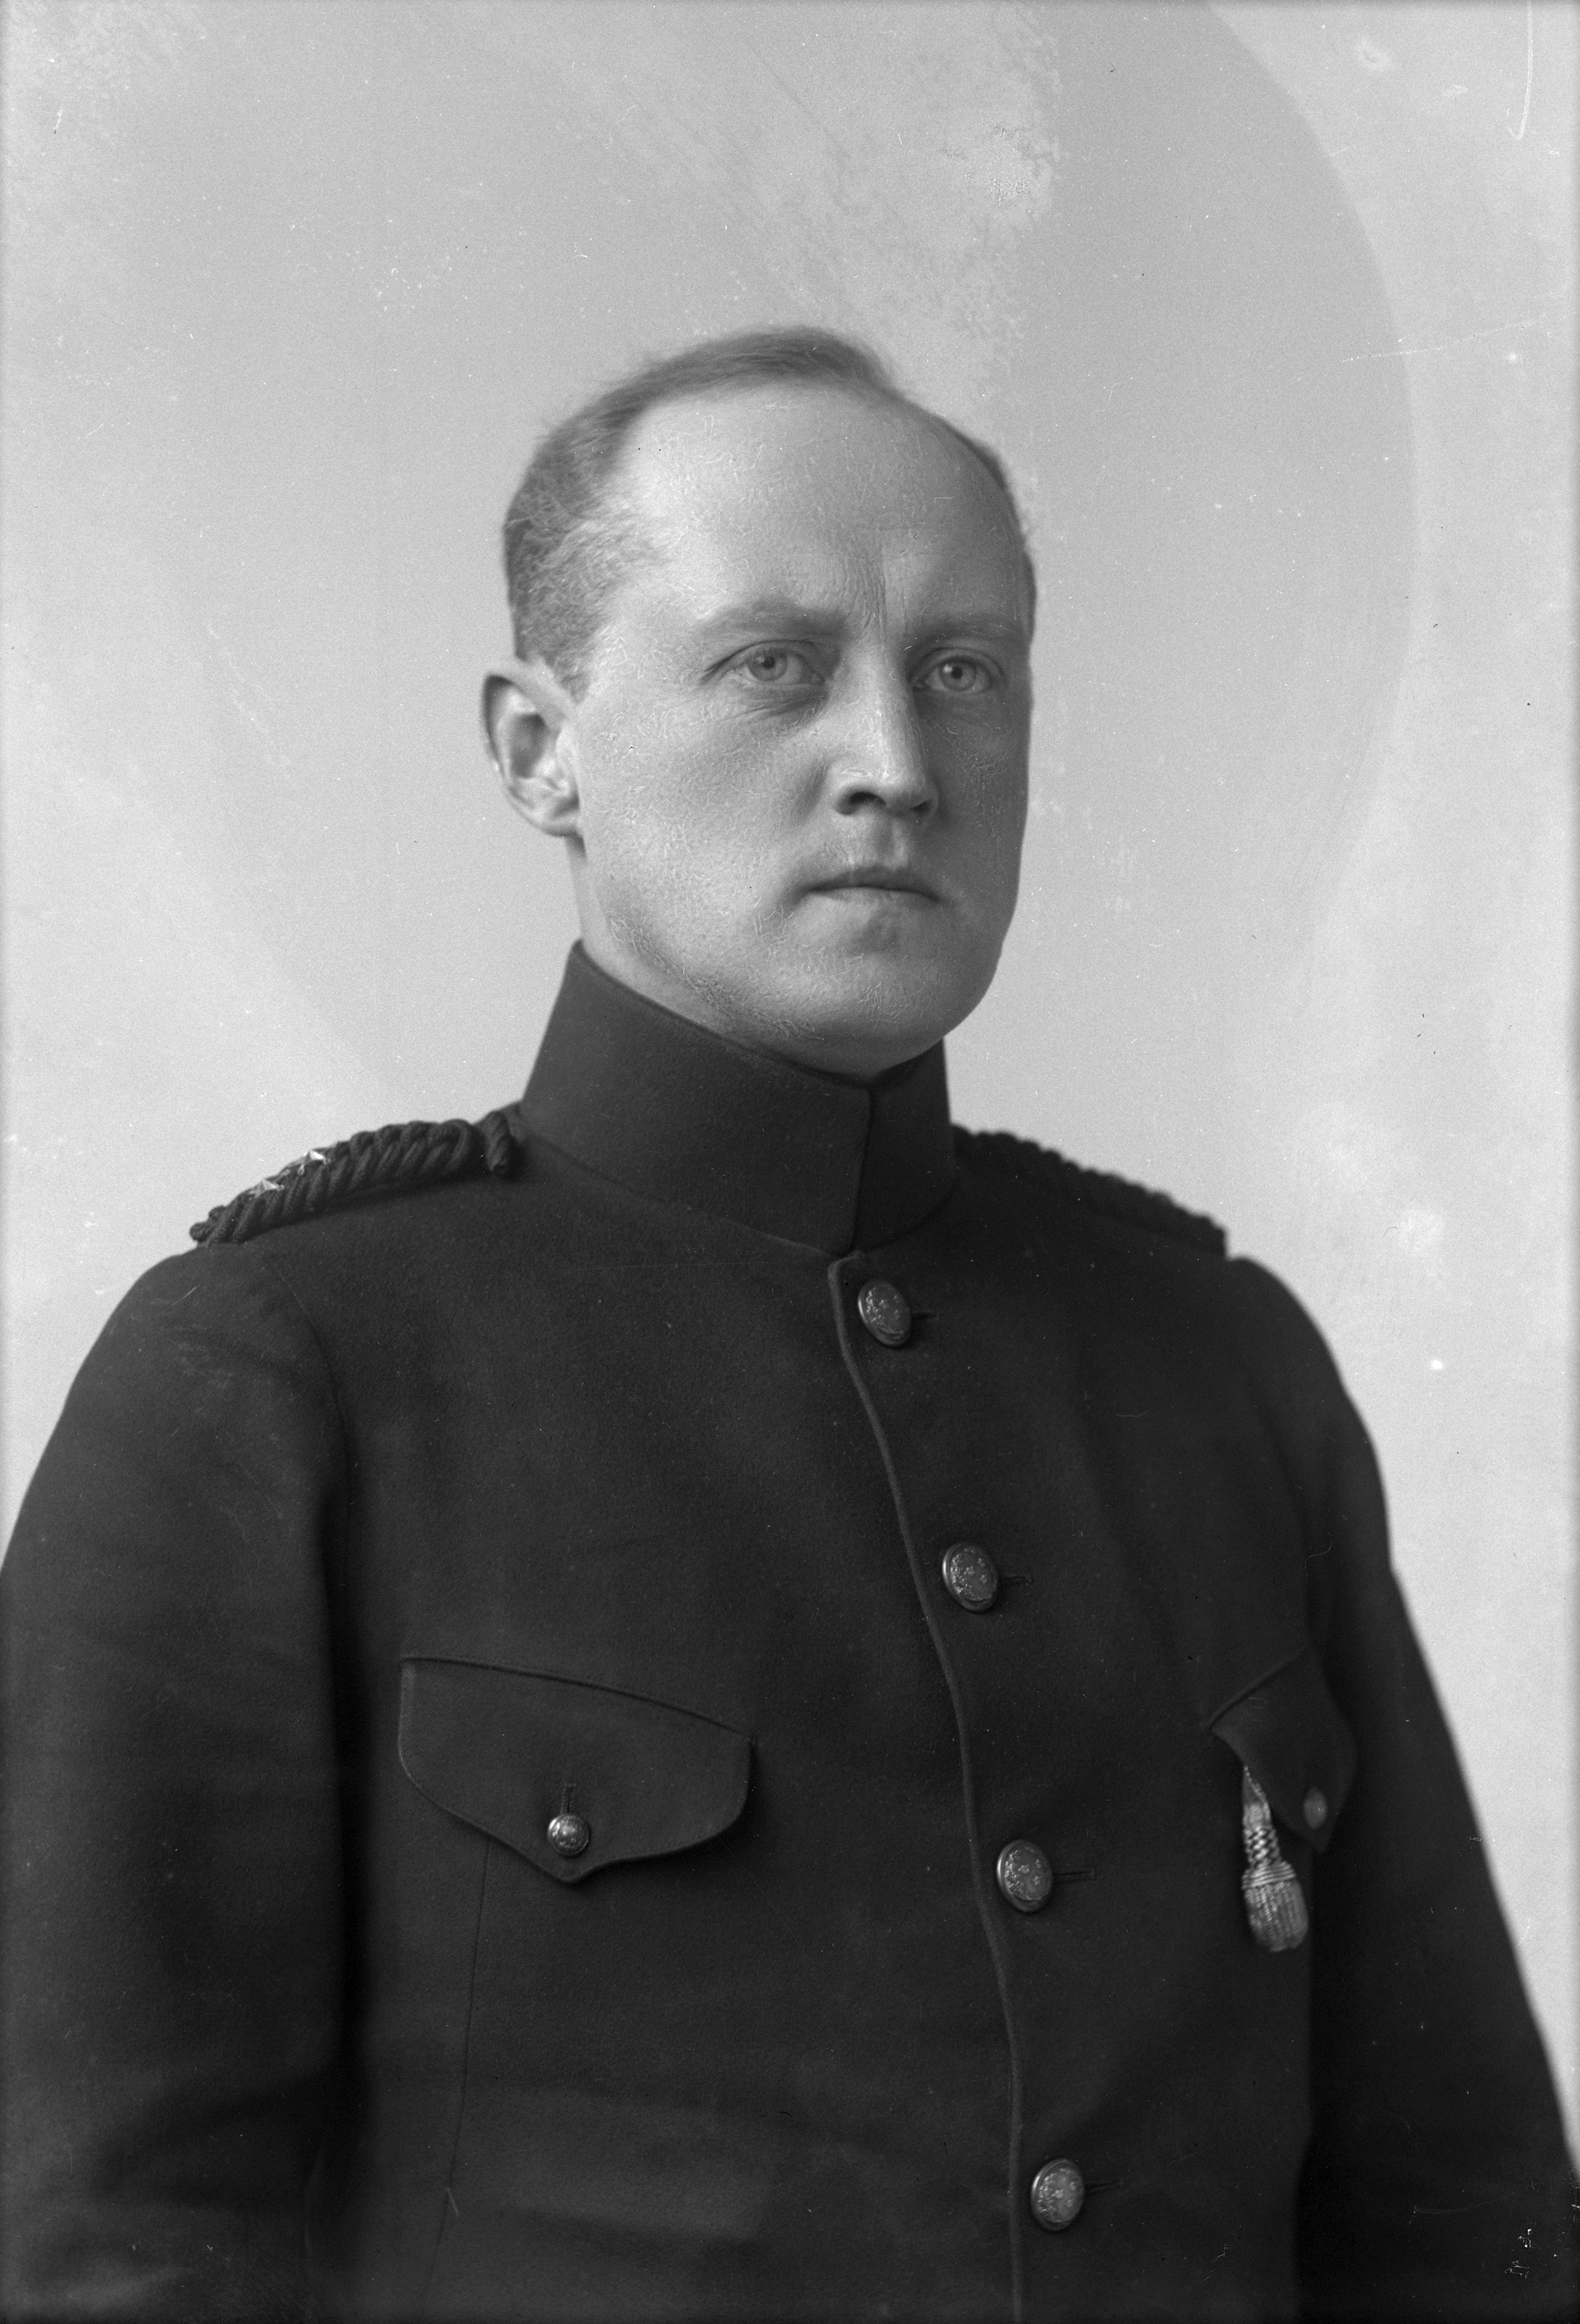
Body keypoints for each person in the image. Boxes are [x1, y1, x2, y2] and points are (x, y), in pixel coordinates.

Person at [1, 327, 1573, 2324]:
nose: (898, 764)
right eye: (774, 665)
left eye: (965, 671)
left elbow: (1466, 2212)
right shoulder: (274, 1373)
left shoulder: (1222, 1366)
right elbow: (103, 2244)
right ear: (538, 749)